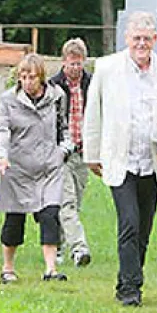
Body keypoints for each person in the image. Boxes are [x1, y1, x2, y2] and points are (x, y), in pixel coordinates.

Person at [83, 12, 157, 306]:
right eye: (136, 38)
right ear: (126, 39)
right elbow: (94, 114)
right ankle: (131, 289)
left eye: (146, 38)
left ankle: (126, 279)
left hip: (153, 161)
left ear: (155, 40)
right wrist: (92, 155)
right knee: (128, 221)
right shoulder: (107, 68)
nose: (141, 44)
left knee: (143, 228)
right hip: (121, 160)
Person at [0, 54, 71, 283]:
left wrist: (63, 152)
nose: (27, 82)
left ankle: (51, 269)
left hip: (49, 166)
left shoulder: (57, 97)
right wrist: (0, 156)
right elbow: (1, 129)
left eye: (32, 77)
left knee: (50, 215)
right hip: (17, 167)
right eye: (23, 77)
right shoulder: (9, 100)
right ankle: (8, 267)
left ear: (42, 78)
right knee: (14, 218)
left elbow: (64, 128)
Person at [49, 38, 93, 267]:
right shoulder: (54, 86)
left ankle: (58, 245)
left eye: (79, 64)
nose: (75, 68)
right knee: (66, 201)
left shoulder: (91, 84)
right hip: (62, 151)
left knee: (75, 200)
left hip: (84, 151)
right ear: (64, 62)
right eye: (71, 64)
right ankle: (79, 249)